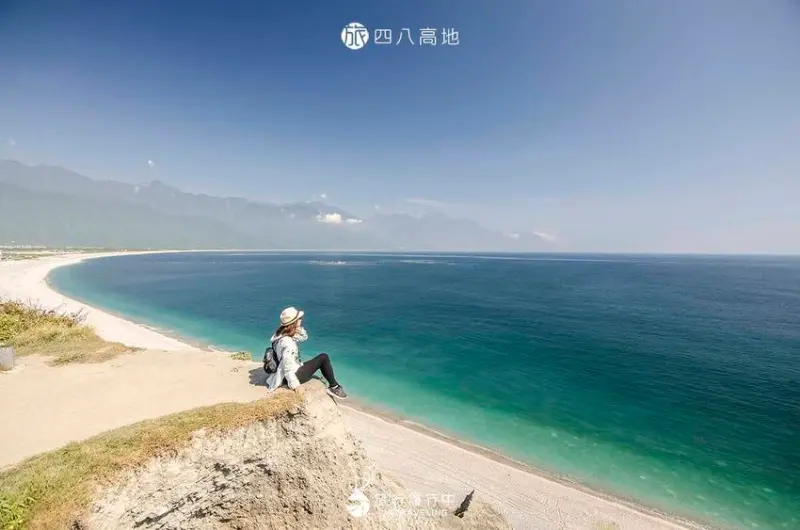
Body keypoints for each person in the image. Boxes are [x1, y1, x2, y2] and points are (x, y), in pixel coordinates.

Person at [265, 306, 348, 399]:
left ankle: (334, 386)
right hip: (291, 375)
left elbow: (304, 337)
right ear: (294, 322)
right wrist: (296, 386)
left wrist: (298, 327)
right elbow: (287, 367)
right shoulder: (288, 343)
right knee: (323, 358)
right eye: (299, 318)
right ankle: (334, 387)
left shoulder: (280, 334)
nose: (301, 319)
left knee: (320, 358)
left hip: (285, 371)